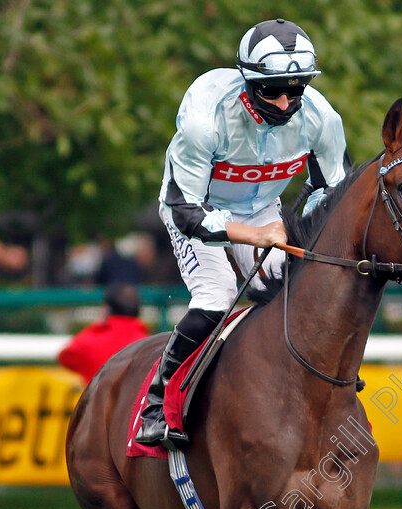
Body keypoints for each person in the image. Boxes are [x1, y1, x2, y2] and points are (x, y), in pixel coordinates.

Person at [135, 18, 348, 449]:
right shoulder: (205, 121)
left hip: (264, 210)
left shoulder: (322, 119)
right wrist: (252, 237)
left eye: (297, 89)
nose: (286, 103)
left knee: (300, 294)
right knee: (217, 298)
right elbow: (184, 210)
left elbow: (330, 191)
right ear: (247, 81)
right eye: (272, 90)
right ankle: (156, 405)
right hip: (197, 208)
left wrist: (297, 230)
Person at [58, 282, 176, 509]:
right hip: (148, 439)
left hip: (105, 444)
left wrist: (101, 324)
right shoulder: (152, 341)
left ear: (107, 309)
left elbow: (66, 356)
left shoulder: (93, 341)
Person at [57, 282, 149, 383]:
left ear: (107, 309)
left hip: (97, 397)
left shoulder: (88, 343)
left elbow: (64, 358)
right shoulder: (149, 345)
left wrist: (98, 326)